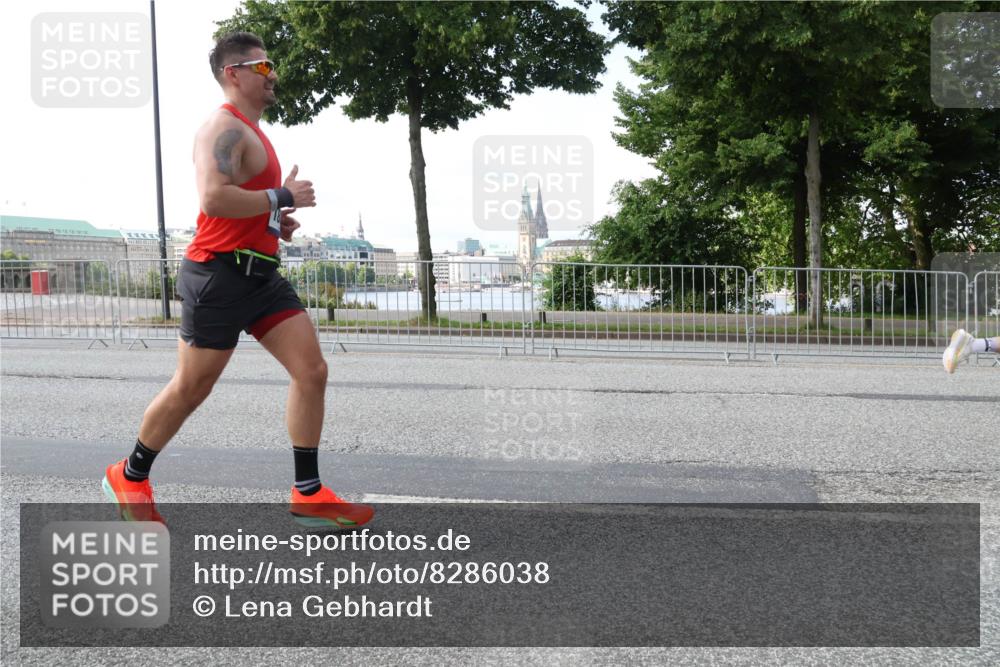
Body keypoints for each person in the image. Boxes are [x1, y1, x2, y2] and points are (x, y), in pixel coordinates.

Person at [102, 31, 373, 529]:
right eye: (264, 67)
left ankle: (308, 493)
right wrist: (282, 198)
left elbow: (242, 203)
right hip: (219, 275)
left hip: (261, 275)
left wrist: (274, 222)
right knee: (192, 387)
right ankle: (130, 474)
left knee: (311, 371)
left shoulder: (254, 131)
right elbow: (213, 198)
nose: (274, 77)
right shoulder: (220, 129)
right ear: (235, 73)